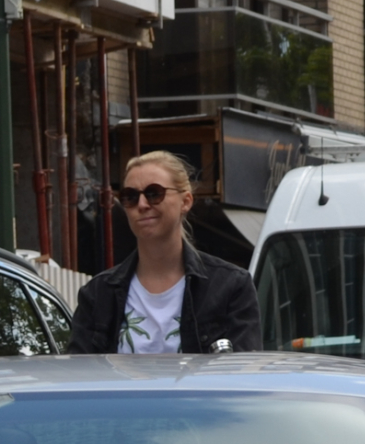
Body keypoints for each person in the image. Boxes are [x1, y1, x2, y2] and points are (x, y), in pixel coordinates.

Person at [69, 151, 260, 356]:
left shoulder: (231, 287)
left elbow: (241, 378)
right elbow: (78, 377)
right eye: (130, 196)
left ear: (185, 201)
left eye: (154, 193)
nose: (142, 205)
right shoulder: (97, 295)